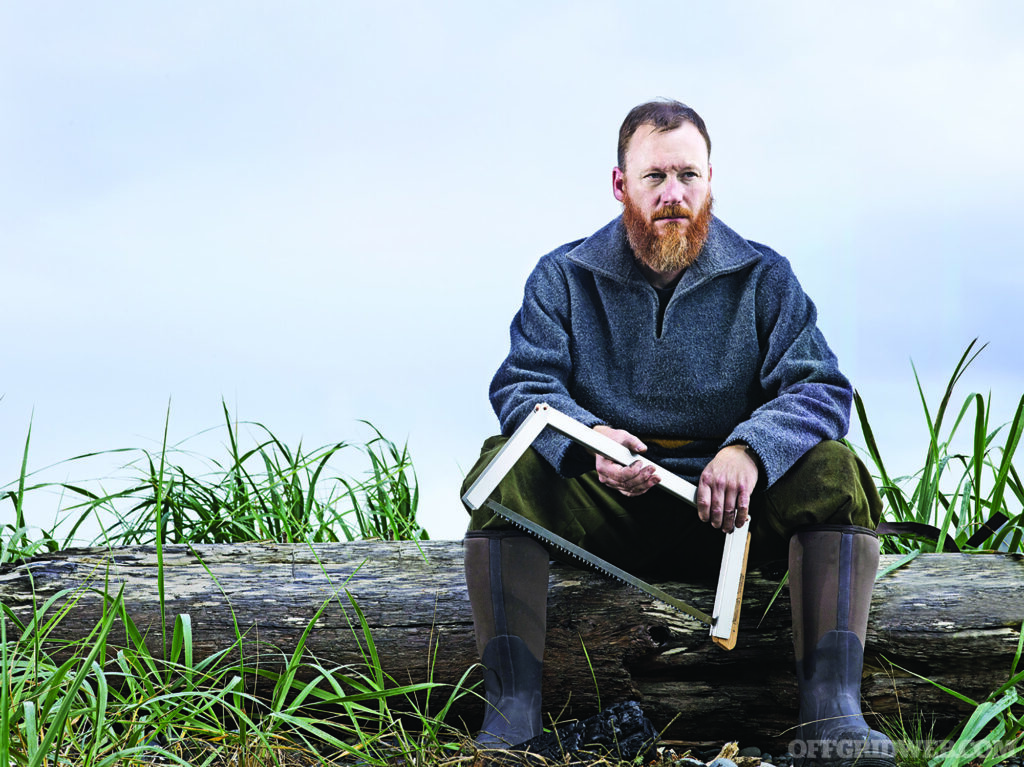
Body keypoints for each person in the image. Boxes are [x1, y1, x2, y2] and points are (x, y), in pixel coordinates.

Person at [460, 99, 895, 767]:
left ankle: (831, 716)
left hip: (732, 514)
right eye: (655, 177)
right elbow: (523, 388)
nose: (673, 195)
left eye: (689, 175)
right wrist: (592, 443)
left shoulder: (764, 277)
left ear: (711, 180)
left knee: (834, 469)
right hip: (607, 501)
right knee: (504, 465)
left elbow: (820, 387)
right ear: (619, 185)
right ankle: (512, 720)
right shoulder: (562, 276)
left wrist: (749, 449)